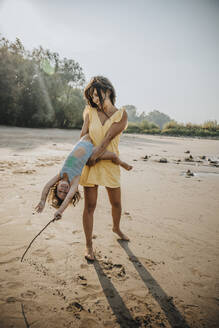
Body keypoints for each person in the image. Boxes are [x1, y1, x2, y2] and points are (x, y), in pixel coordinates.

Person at [79, 76, 131, 261]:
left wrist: (94, 156)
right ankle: (88, 245)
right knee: (90, 206)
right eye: (92, 96)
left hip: (108, 165)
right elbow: (83, 137)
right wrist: (86, 157)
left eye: (97, 95)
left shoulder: (121, 115)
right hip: (90, 164)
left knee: (116, 203)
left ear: (108, 91)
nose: (94, 99)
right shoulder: (89, 112)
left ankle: (116, 228)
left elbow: (107, 140)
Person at [35, 133, 132, 220]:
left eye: (60, 191)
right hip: (91, 152)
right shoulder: (74, 180)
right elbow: (68, 198)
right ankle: (122, 163)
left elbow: (47, 186)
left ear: (56, 186)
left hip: (81, 143)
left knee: (88, 134)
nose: (63, 190)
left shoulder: (60, 175)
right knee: (113, 156)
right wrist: (60, 211)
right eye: (65, 192)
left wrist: (42, 201)